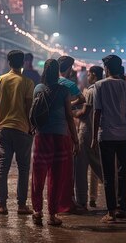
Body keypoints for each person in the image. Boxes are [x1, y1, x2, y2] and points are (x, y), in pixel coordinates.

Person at [31, 59, 79, 226]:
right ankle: (52, 215)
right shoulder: (64, 90)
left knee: (38, 175)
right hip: (60, 137)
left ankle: (37, 211)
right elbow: (69, 117)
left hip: (42, 136)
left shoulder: (38, 88)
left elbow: (34, 112)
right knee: (56, 177)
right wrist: (75, 139)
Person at [92, 55, 126, 223]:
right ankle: (122, 207)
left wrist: (93, 137)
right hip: (124, 135)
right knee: (122, 173)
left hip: (106, 135)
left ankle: (111, 211)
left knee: (108, 175)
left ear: (107, 69)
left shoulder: (99, 86)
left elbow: (97, 112)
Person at [0, 50, 35, 216]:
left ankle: (2, 206)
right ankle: (21, 206)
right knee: (23, 169)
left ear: (8, 62)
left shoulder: (0, 80)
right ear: (22, 63)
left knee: (3, 167)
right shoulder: (27, 82)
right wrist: (31, 128)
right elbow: (28, 108)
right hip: (22, 129)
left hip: (4, 129)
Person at [73, 66, 104, 212]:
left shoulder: (91, 91)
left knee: (81, 168)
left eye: (89, 75)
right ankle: (117, 196)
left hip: (86, 131)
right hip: (98, 132)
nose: (88, 77)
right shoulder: (102, 89)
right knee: (100, 166)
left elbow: (84, 113)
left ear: (93, 75)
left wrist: (70, 112)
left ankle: (81, 201)